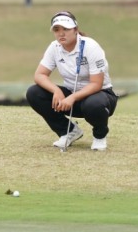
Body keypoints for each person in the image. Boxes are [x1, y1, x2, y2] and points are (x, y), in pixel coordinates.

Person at [26, 11, 118, 151]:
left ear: (75, 30)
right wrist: (56, 90)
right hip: (72, 95)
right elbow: (39, 75)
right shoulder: (54, 47)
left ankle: (100, 136)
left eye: (66, 29)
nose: (61, 33)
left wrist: (72, 98)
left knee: (93, 104)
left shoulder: (91, 47)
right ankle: (68, 131)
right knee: (34, 92)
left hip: (100, 96)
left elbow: (96, 84)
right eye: (57, 30)